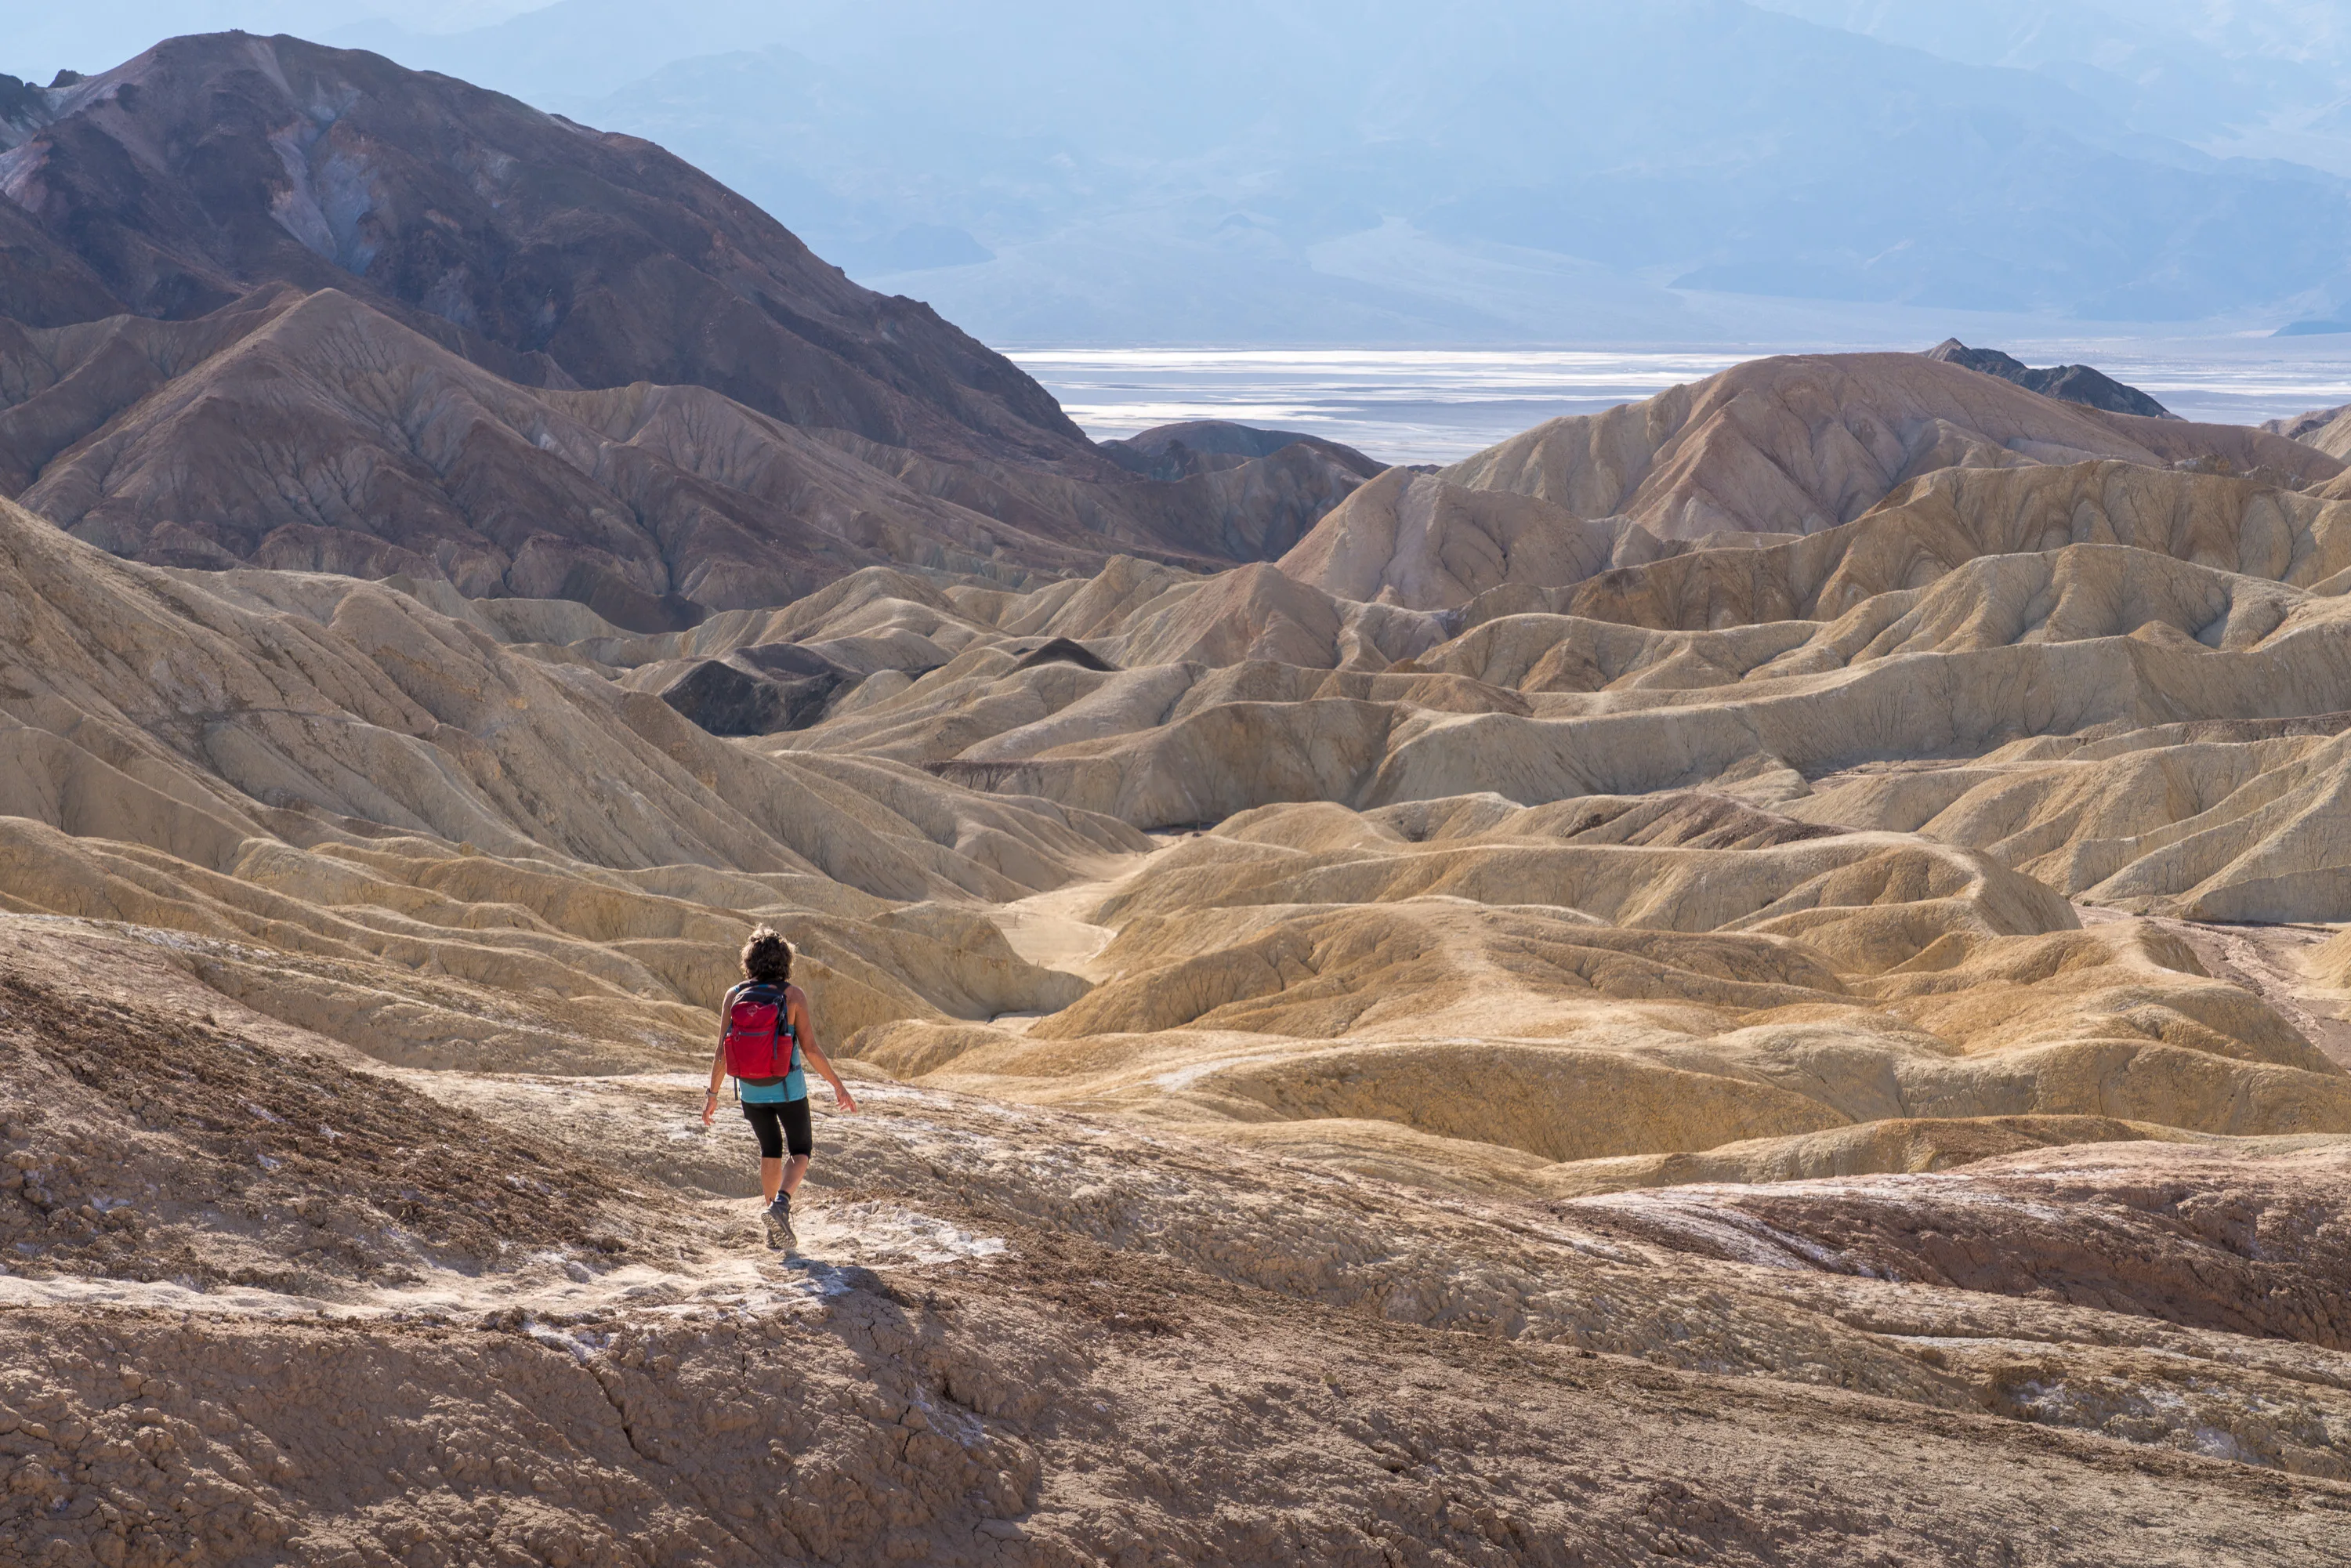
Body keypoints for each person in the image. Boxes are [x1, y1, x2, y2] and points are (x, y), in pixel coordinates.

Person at [702, 927, 857, 1250]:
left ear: (749, 962)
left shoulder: (733, 995)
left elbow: (721, 1052)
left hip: (750, 1092)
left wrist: (712, 1095)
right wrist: (838, 1086)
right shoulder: (793, 996)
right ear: (785, 961)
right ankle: (780, 1206)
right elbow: (811, 1049)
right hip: (788, 1090)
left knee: (770, 1149)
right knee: (801, 1151)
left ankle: (774, 1227)